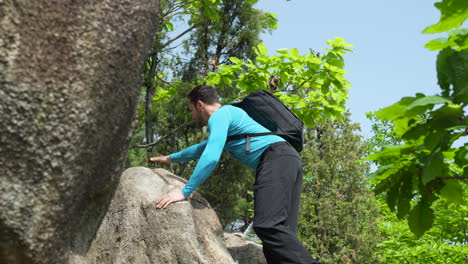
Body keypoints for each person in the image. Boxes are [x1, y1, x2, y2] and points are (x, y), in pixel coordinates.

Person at [150, 84, 320, 264]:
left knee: (268, 225)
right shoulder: (228, 118)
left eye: (191, 110)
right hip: (288, 159)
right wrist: (170, 158)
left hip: (275, 158)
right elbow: (201, 148)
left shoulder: (221, 115)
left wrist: (184, 191)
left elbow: (210, 157)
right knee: (278, 240)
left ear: (200, 104)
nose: (192, 116)